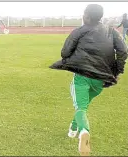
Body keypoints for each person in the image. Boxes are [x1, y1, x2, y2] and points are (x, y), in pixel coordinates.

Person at [49, 4, 127, 156]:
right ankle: (73, 128)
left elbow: (65, 53)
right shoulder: (112, 31)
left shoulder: (79, 31)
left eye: (84, 14)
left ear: (87, 16)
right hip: (101, 80)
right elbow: (123, 51)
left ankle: (84, 131)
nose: (83, 16)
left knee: (81, 107)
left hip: (82, 76)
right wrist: (117, 71)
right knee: (83, 105)